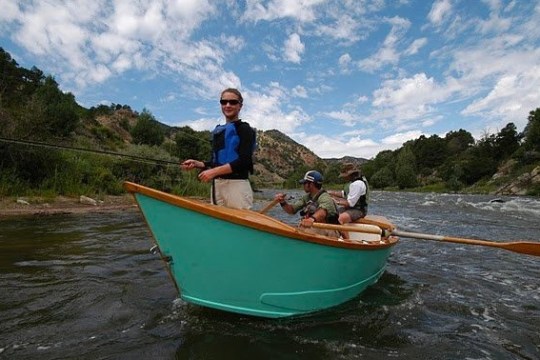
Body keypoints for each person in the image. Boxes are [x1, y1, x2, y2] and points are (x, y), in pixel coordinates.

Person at [181, 88, 256, 210]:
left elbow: (244, 161)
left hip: (237, 186)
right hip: (217, 186)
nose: (228, 105)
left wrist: (213, 172)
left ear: (240, 106)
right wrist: (197, 163)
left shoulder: (245, 130)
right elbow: (215, 162)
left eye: (232, 102)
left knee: (238, 227)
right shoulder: (219, 132)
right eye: (224, 102)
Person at [274, 170, 340, 238]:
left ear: (311, 184)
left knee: (305, 231)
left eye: (304, 183)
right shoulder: (307, 197)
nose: (303, 185)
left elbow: (323, 212)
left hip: (330, 230)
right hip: (314, 228)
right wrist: (282, 202)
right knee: (288, 228)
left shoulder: (325, 197)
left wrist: (311, 219)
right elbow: (292, 210)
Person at [328, 163, 368, 239]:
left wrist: (336, 201)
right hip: (351, 208)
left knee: (339, 219)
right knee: (331, 213)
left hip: (358, 210)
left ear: (350, 175)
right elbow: (344, 194)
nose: (344, 178)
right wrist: (330, 192)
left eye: (344, 176)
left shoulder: (357, 184)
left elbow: (350, 203)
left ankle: (347, 241)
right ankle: (333, 236)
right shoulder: (353, 183)